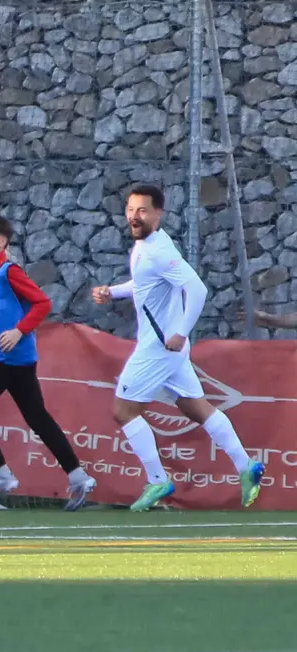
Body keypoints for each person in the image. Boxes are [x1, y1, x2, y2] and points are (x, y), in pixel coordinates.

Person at [92, 184, 264, 512]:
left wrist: (182, 332)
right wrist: (112, 292)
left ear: (158, 213)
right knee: (197, 409)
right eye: (130, 209)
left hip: (159, 348)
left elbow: (197, 289)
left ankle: (157, 480)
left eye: (142, 210)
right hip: (166, 349)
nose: (134, 216)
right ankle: (246, 466)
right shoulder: (148, 246)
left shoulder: (158, 250)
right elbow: (144, 283)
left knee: (123, 411)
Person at [0, 215, 97, 511]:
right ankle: (78, 477)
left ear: (3, 241)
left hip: (8, 357)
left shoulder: (8, 271)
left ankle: (2, 475)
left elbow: (43, 303)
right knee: (37, 417)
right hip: (12, 359)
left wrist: (18, 330)